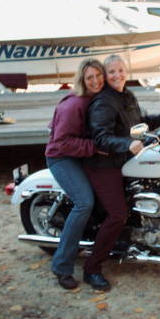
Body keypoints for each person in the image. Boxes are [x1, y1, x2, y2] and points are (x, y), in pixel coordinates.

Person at [83, 54, 160, 291]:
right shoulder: (104, 102)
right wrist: (126, 144)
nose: (117, 75)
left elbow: (140, 122)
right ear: (106, 76)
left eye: (120, 70)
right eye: (112, 72)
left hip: (126, 159)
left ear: (126, 71)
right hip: (105, 164)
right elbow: (101, 137)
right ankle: (91, 269)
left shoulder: (126, 94)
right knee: (117, 214)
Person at [45, 58, 106, 290]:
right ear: (82, 80)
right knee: (84, 202)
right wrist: (94, 147)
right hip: (61, 157)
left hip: (82, 155)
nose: (96, 80)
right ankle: (62, 266)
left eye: (99, 75)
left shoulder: (99, 99)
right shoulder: (74, 105)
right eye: (90, 77)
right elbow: (61, 142)